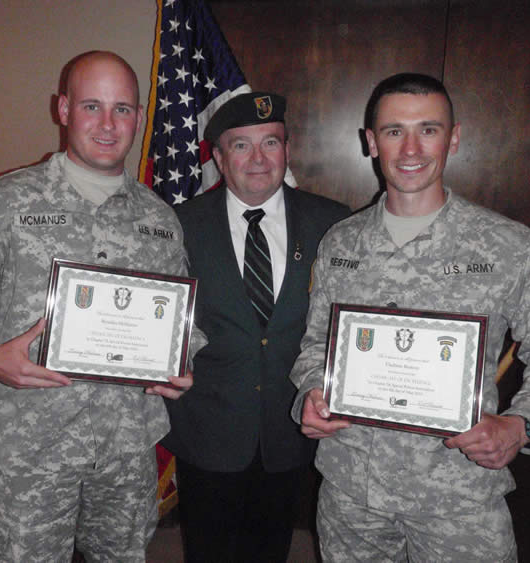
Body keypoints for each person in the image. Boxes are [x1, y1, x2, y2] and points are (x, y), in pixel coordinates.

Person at [0, 51, 203, 562]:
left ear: (139, 115)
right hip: (33, 445)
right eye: (93, 106)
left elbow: (180, 312)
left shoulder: (160, 219)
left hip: (125, 447)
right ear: (64, 109)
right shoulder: (8, 202)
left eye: (123, 108)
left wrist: (182, 359)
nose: (109, 124)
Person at [290, 73, 530, 562]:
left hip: (459, 501)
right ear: (371, 142)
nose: (410, 148)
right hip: (352, 496)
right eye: (393, 131)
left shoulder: (506, 245)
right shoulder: (341, 244)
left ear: (454, 138)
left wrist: (520, 426)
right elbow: (315, 347)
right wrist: (311, 392)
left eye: (428, 129)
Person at [162, 92, 350, 562]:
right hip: (207, 428)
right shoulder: (178, 226)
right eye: (241, 145)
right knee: (207, 551)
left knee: (272, 549)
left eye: (271, 142)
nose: (259, 158)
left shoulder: (334, 224)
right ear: (220, 158)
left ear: (288, 149)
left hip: (292, 428)